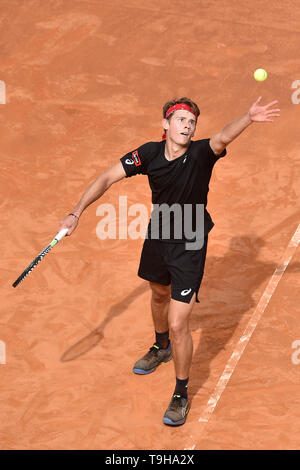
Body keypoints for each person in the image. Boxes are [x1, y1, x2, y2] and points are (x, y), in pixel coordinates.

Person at [59, 96, 280, 426]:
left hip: (190, 243)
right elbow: (106, 177)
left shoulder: (202, 154)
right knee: (158, 294)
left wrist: (247, 118)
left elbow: (222, 136)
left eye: (191, 122)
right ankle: (160, 347)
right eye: (180, 120)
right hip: (158, 235)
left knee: (180, 324)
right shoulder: (148, 153)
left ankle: (180, 393)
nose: (187, 126)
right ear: (165, 124)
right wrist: (76, 212)